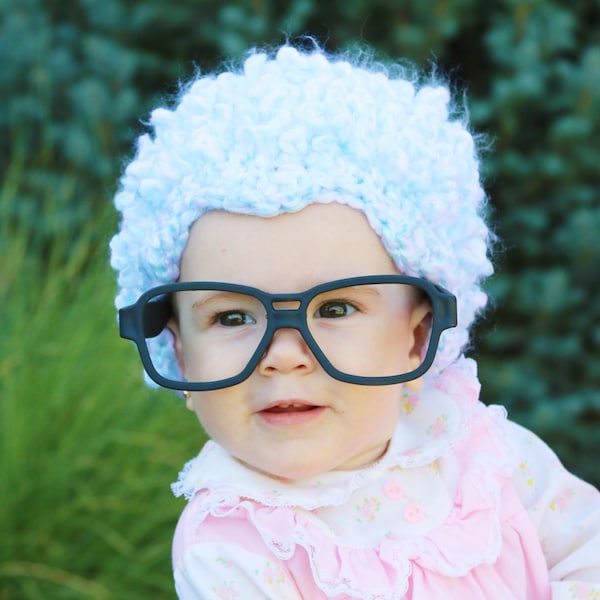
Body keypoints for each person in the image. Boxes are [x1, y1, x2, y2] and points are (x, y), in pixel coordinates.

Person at [110, 44, 600, 599]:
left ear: (416, 339)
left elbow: (589, 551)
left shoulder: (481, 451)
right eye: (231, 316)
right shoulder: (230, 548)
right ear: (177, 348)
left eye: (335, 309)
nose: (284, 354)